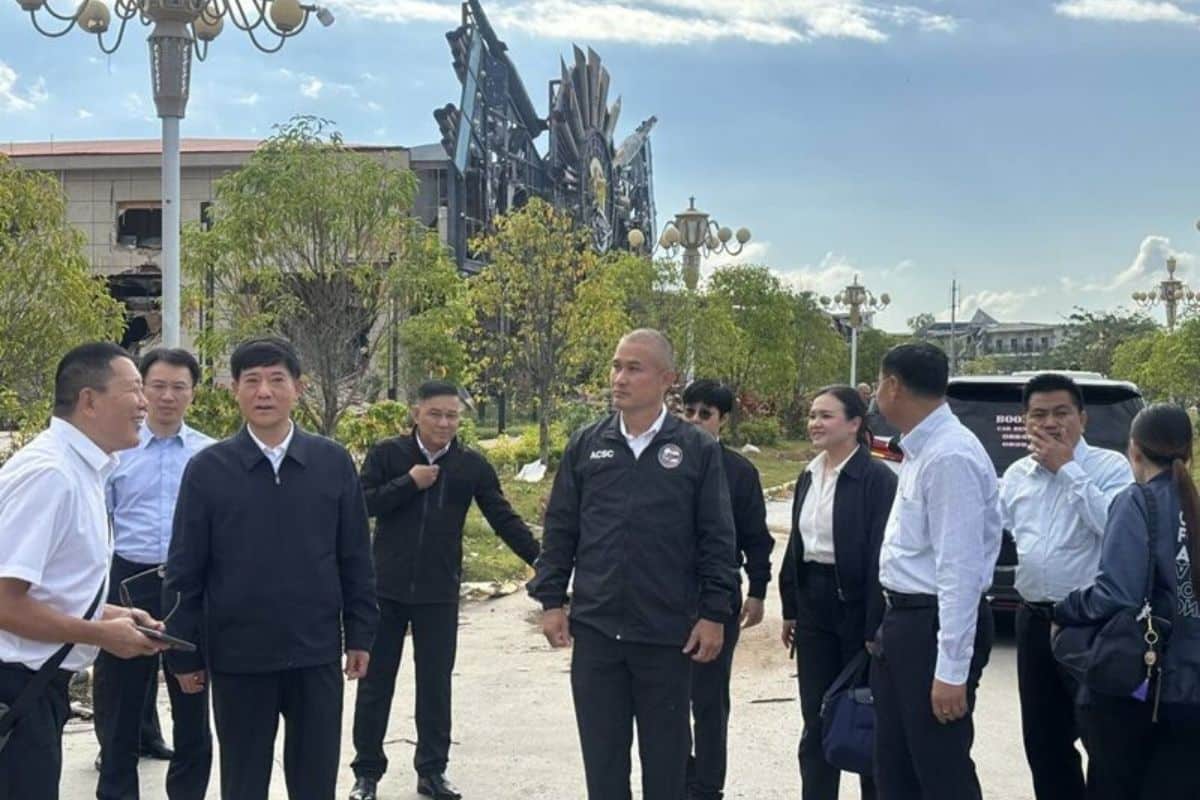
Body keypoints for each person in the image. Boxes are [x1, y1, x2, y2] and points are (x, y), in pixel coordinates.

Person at [164, 337, 379, 800]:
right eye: (252, 381)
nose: (265, 392)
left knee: (315, 780)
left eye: (277, 380)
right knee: (242, 781)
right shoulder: (208, 470)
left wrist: (360, 634)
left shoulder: (331, 462)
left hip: (315, 652)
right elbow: (185, 569)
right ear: (235, 390)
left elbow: (356, 558)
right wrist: (183, 652)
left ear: (298, 388)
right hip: (239, 657)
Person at [528, 329, 738, 800]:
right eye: (616, 365)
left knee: (666, 769)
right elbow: (561, 530)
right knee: (603, 767)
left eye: (633, 368)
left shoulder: (696, 450)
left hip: (667, 636)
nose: (619, 378)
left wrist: (713, 613)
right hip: (598, 632)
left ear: (666, 379)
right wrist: (551, 601)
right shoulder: (587, 445)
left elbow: (717, 539)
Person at [349, 381, 540, 800]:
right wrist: (409, 483)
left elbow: (503, 518)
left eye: (452, 415)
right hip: (386, 589)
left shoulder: (471, 464)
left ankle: (432, 772)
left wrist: (541, 560)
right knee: (375, 683)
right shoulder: (388, 455)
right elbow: (360, 504)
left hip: (438, 591)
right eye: (435, 413)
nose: (444, 423)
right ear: (416, 413)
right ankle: (366, 773)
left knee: (435, 686)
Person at [0, 343, 168, 799]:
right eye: (133, 390)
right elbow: (4, 603)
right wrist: (101, 635)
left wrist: (112, 615)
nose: (144, 403)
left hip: (36, 688)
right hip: (14, 686)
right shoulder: (51, 474)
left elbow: (48, 590)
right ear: (89, 401)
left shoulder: (84, 470)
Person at [870, 342, 1001, 800]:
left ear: (893, 385)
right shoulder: (922, 449)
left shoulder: (950, 456)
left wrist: (951, 669)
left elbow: (960, 572)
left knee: (939, 768)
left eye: (878, 384)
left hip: (931, 627)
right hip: (905, 623)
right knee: (895, 765)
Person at [1055, 404, 1200, 799]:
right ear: (1188, 451)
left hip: (1145, 689)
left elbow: (1117, 593)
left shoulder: (1137, 501)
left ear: (1133, 450)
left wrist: (1066, 608)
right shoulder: (1192, 503)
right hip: (1192, 693)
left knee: (1116, 785)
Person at [999, 373, 1131, 800]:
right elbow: (994, 535)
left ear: (1082, 419)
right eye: (1038, 414)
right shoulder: (1017, 475)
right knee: (1044, 742)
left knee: (1103, 738)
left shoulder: (1111, 468)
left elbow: (1118, 531)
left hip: (1093, 625)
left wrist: (1067, 470)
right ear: (1025, 421)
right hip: (1034, 619)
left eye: (1061, 413)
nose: (1050, 423)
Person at [92, 348, 215, 800]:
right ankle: (118, 790)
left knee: (192, 701)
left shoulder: (209, 455)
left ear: (192, 394)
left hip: (189, 585)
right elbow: (98, 521)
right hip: (127, 578)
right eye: (157, 386)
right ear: (142, 390)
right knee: (121, 702)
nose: (167, 397)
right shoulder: (117, 452)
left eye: (179, 387)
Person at [779, 385, 897, 800]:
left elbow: (880, 558)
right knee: (818, 719)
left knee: (864, 717)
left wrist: (874, 626)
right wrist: (790, 607)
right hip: (814, 606)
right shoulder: (808, 474)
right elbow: (798, 545)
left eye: (826, 415)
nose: (815, 423)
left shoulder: (876, 479)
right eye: (812, 415)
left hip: (858, 609)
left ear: (854, 423)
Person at [679, 379, 775, 800]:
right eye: (690, 411)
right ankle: (677, 774)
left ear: (722, 420)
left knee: (709, 698)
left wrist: (758, 589)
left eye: (706, 413)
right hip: (667, 595)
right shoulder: (668, 462)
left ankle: (707, 785)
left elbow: (756, 536)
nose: (696, 420)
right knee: (667, 696)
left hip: (718, 594)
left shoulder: (739, 472)